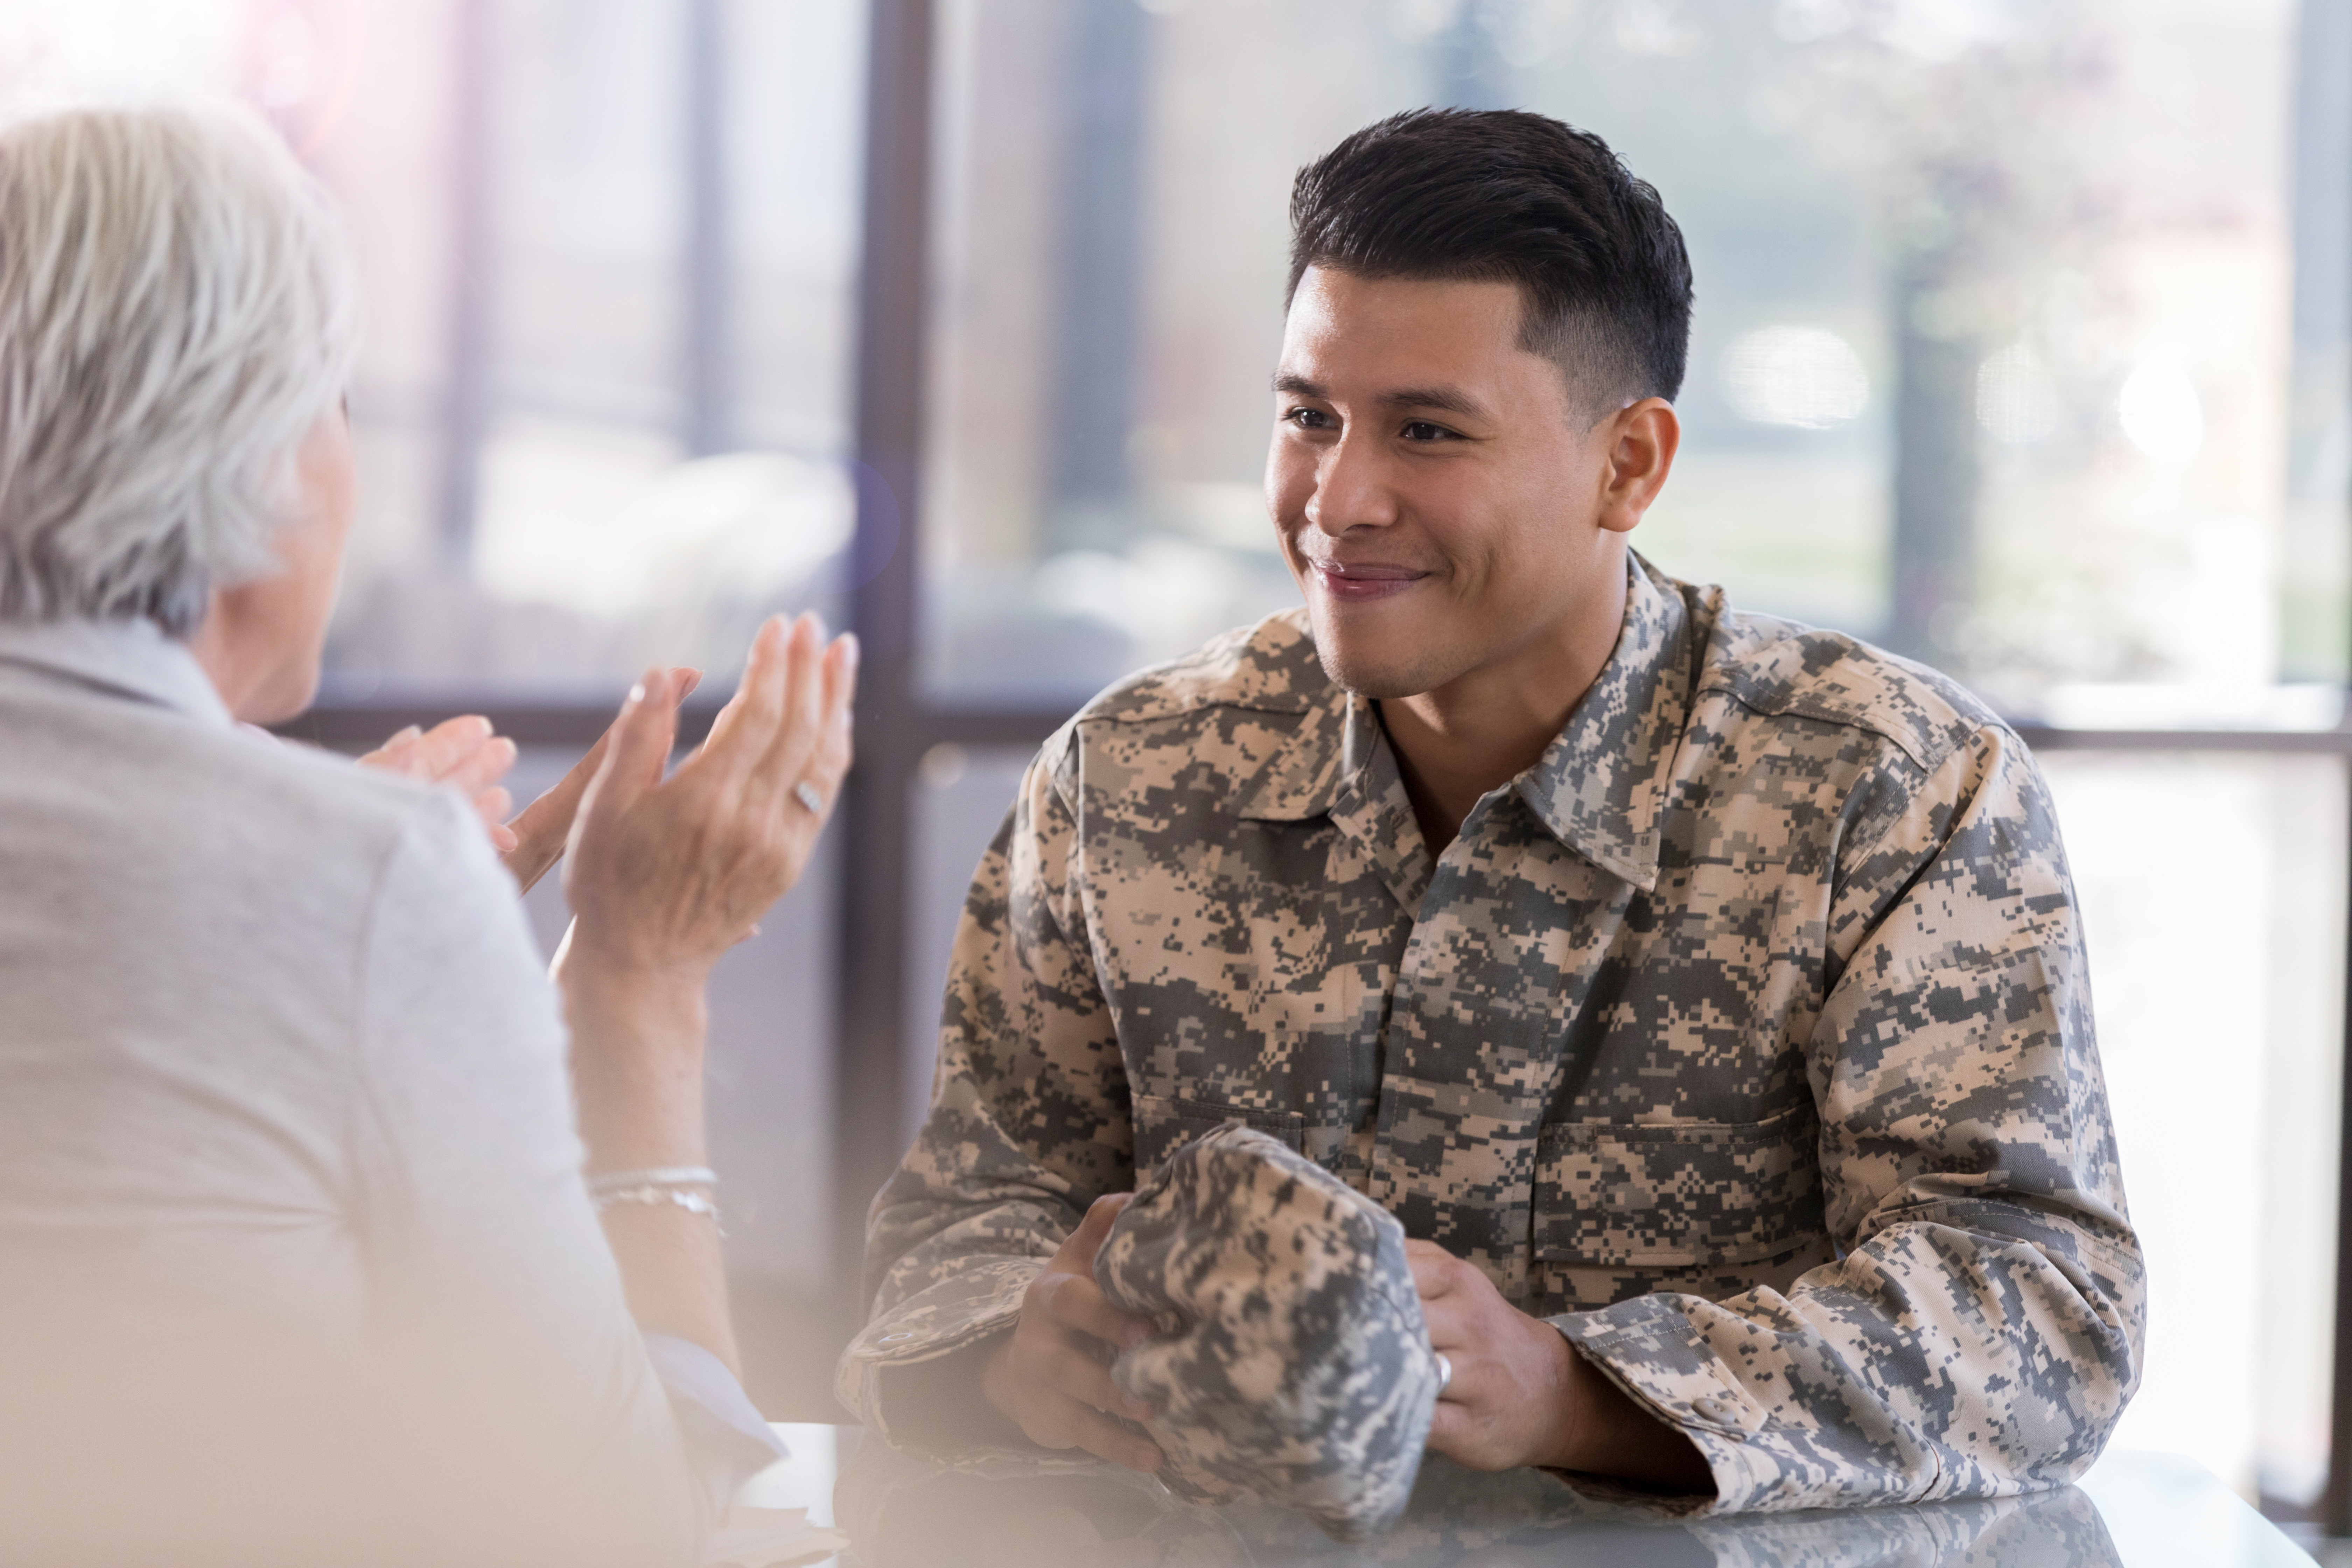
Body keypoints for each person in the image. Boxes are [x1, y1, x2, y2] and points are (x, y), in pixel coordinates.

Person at [842, 107, 2143, 1515]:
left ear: (1629, 465)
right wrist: (1013, 1348)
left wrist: (1571, 1391)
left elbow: (2041, 1306)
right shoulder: (1127, 776)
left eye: (1427, 431)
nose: (1338, 500)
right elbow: (961, 1224)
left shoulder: (1892, 790)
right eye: (1309, 417)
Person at [0, 104, 855, 1565]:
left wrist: (328, 887)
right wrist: (635, 978)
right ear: (251, 456)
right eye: (333, 401)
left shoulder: (351, 876)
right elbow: (613, 1527)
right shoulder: (365, 883)